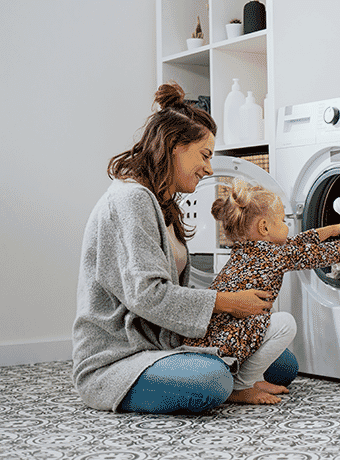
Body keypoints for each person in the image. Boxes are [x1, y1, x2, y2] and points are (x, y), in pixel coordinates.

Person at [72, 82, 297, 414]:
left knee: (284, 364)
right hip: (120, 356)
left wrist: (233, 302)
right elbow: (148, 295)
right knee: (212, 381)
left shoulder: (163, 203)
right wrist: (229, 303)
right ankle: (229, 383)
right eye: (205, 155)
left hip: (163, 341)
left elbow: (176, 289)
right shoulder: (131, 199)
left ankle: (230, 377)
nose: (208, 168)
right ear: (174, 145)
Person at [183, 179, 340, 404]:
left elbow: (299, 243)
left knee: (266, 323)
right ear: (264, 228)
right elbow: (316, 255)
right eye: (282, 221)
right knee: (285, 324)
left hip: (216, 338)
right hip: (228, 342)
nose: (286, 226)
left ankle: (252, 379)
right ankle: (242, 386)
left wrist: (338, 228)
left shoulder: (248, 250)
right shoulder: (273, 255)